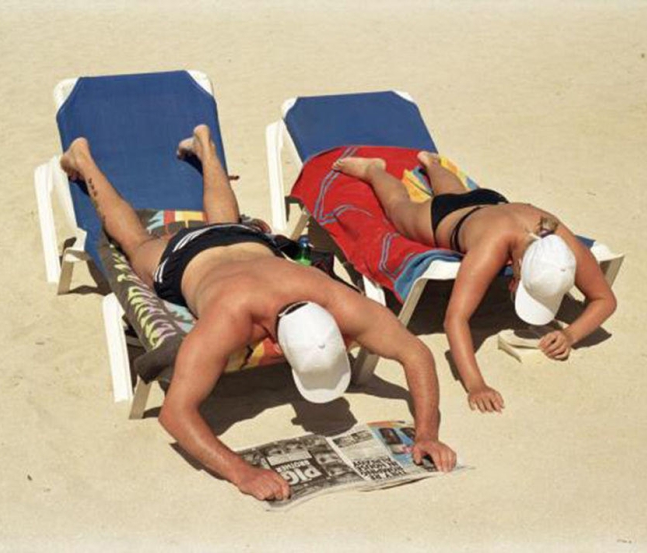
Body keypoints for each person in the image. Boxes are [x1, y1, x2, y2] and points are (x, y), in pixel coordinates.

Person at [59, 125, 457, 502]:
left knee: (223, 224)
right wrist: (242, 473)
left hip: (243, 239)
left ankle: (203, 146)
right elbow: (175, 414)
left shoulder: (329, 299)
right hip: (187, 257)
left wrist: (426, 433)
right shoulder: (238, 317)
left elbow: (416, 355)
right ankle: (85, 159)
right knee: (135, 243)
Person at [332, 153, 617, 415]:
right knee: (398, 208)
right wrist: (476, 384)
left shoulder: (557, 237)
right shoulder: (490, 249)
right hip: (443, 217)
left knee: (458, 194)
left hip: (489, 202)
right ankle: (374, 170)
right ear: (517, 264)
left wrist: (570, 335)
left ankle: (432, 165)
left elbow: (606, 300)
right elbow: (455, 319)